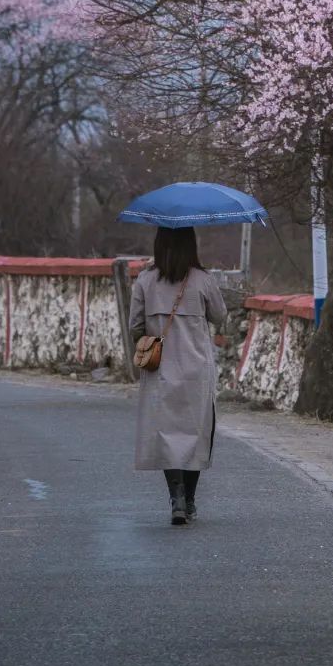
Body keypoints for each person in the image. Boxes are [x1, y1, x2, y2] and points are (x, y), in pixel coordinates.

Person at [129, 225, 228, 525]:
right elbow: (220, 316)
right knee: (195, 433)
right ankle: (192, 499)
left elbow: (134, 326)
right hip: (197, 369)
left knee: (167, 434)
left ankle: (177, 499)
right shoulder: (203, 280)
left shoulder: (145, 280)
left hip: (161, 369)